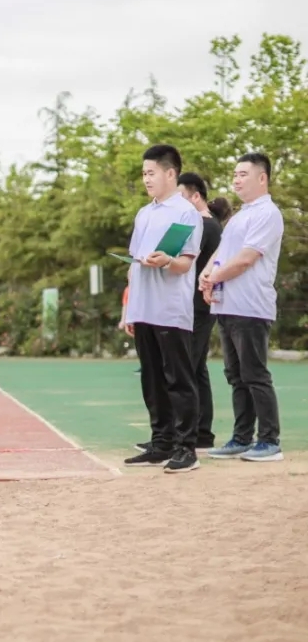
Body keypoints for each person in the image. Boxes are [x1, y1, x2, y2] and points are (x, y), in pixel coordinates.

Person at [121, 145, 203, 473]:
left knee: (179, 380)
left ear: (171, 173)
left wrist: (167, 260)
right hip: (143, 308)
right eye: (143, 174)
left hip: (170, 309)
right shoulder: (144, 213)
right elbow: (133, 262)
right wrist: (128, 307)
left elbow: (185, 263)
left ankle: (187, 448)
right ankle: (161, 443)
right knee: (152, 380)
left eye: (151, 172)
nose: (146, 179)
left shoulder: (186, 212)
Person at [200, 153, 285, 463]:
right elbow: (223, 252)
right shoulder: (239, 216)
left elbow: (248, 258)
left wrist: (213, 278)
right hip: (227, 305)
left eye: (243, 174)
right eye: (234, 174)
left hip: (251, 307)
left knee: (254, 374)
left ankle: (269, 440)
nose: (236, 179)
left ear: (261, 178)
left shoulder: (268, 214)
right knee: (235, 375)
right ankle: (241, 437)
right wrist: (205, 274)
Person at [170, 172, 227, 451]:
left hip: (198, 307)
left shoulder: (204, 226)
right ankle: (201, 433)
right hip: (195, 305)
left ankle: (182, 436)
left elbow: (169, 253)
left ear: (196, 197)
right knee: (196, 369)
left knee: (186, 369)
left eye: (181, 197)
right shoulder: (201, 224)